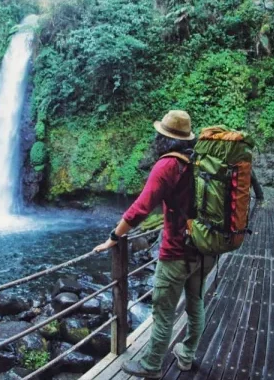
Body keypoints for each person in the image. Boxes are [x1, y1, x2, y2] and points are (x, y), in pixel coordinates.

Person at [93, 110, 213, 379]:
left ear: (164, 137)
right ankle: (187, 354)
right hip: (204, 248)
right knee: (195, 302)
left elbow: (140, 208)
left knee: (162, 310)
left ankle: (151, 365)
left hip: (177, 251)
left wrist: (113, 237)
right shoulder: (198, 161)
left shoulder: (168, 165)